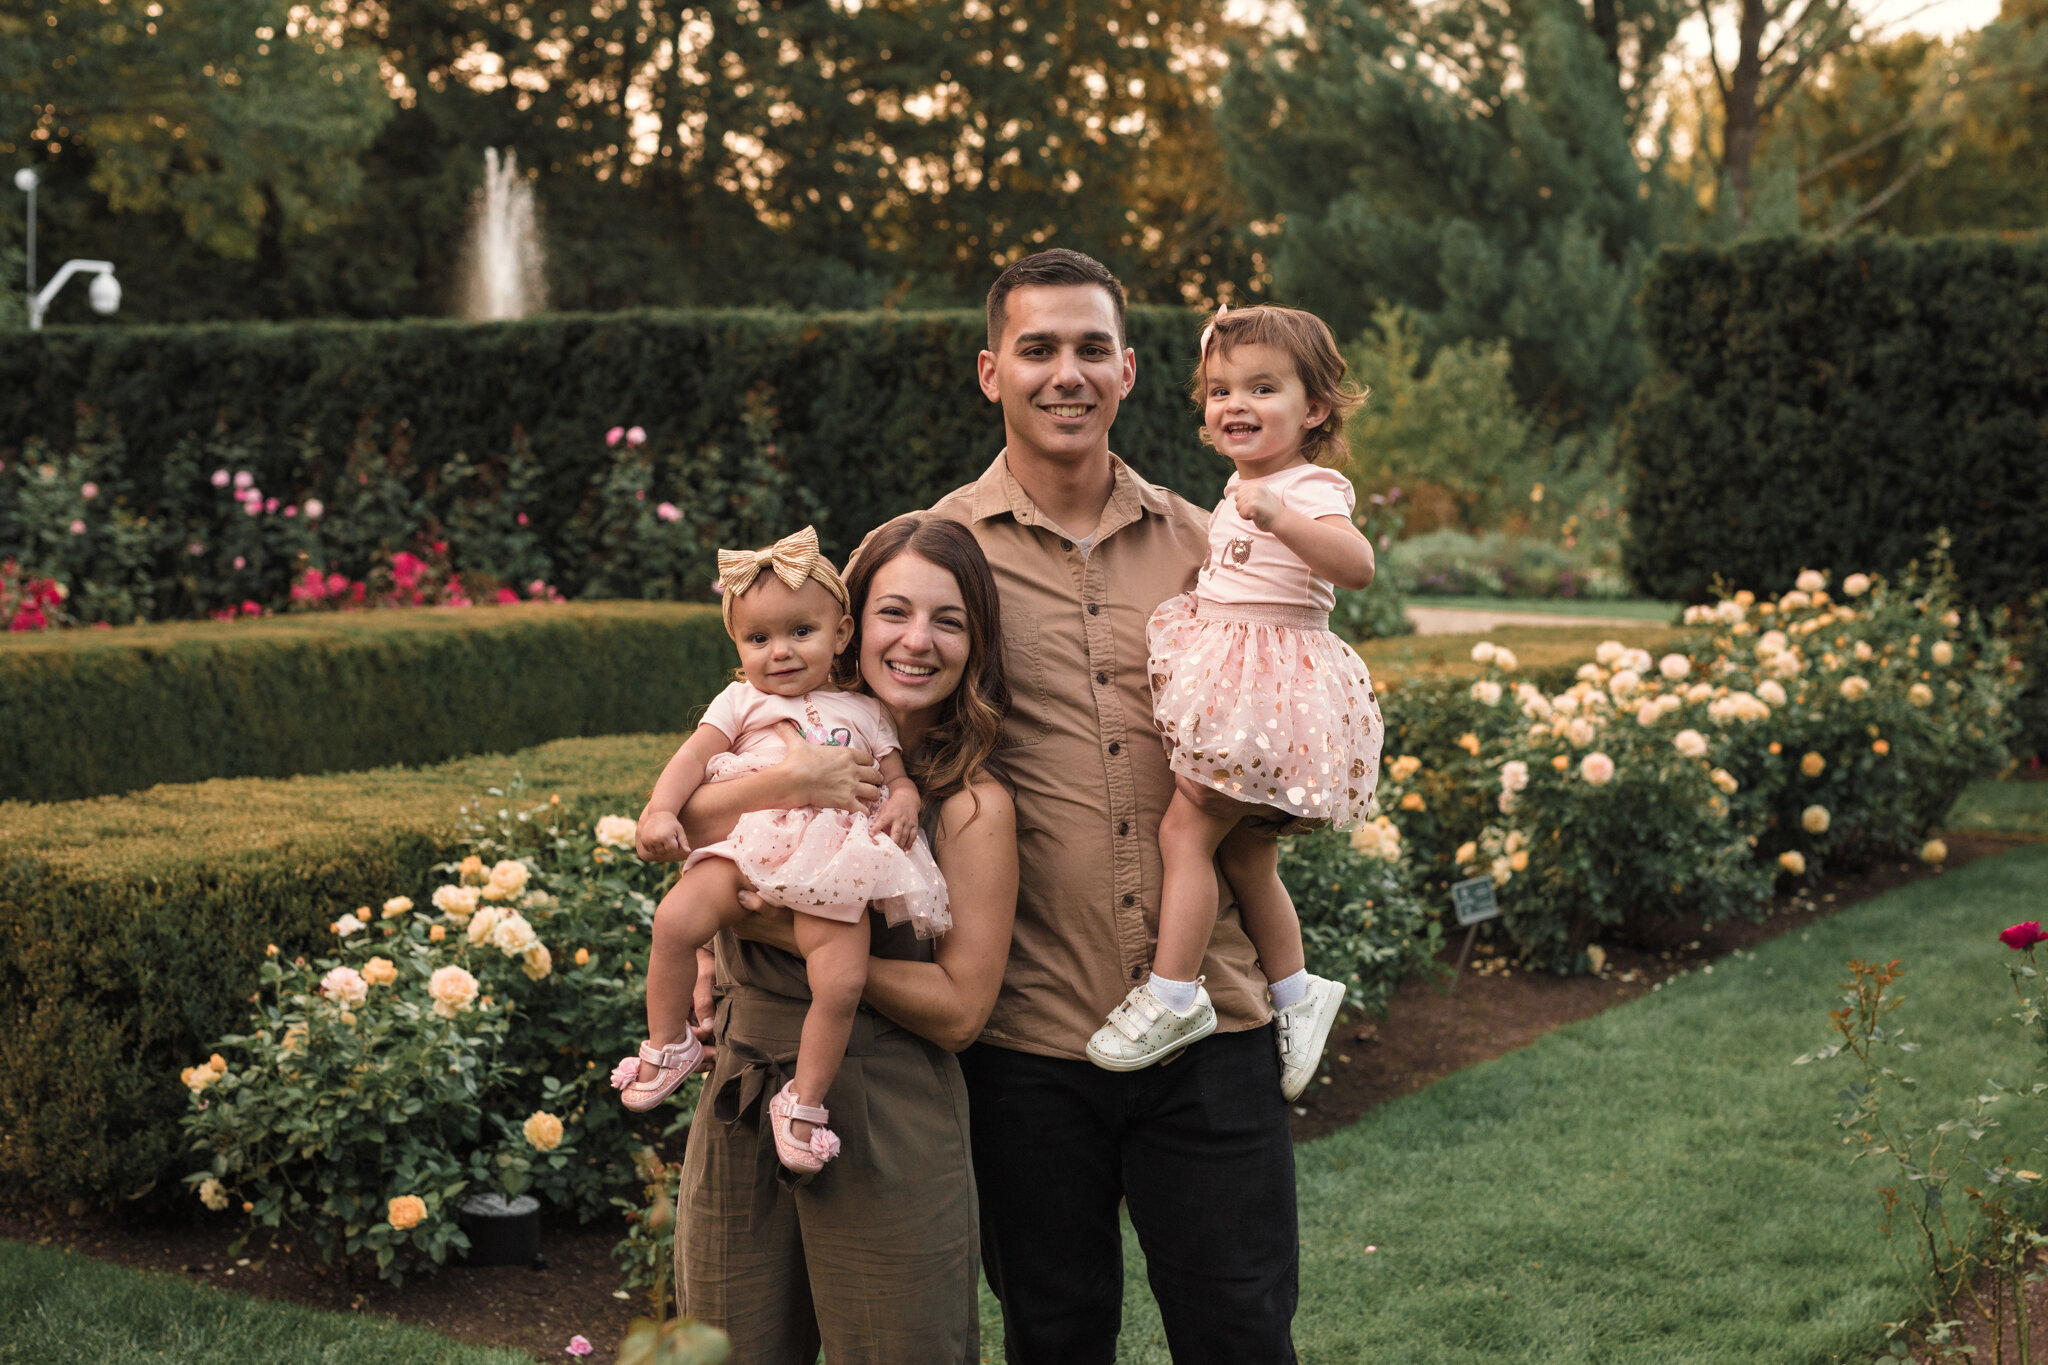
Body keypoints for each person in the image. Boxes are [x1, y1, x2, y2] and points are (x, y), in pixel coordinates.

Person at [926, 248, 1307, 1362]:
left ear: (1130, 371)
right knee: (1053, 1334)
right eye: (1037, 349)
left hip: (1213, 1027)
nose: (1066, 372)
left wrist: (1272, 791)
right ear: (989, 370)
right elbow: (856, 744)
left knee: (1240, 1331)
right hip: (1029, 1041)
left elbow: (1291, 736)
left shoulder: (1218, 546)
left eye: (1091, 348)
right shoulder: (934, 559)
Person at [660, 515, 1018, 1364]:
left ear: (977, 642)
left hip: (883, 1103)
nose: (918, 641)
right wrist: (790, 781)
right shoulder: (769, 739)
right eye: (895, 611)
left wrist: (783, 933)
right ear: (855, 623)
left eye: (950, 620)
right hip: (746, 1082)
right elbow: (681, 822)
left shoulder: (970, 808)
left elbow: (962, 1011)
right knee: (723, 1344)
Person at [1085, 304, 1383, 1103]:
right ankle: (1297, 990)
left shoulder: (1309, 485)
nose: (1234, 405)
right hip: (1238, 681)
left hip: (1271, 687)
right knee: (1246, 853)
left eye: (1261, 387)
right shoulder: (1241, 481)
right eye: (1220, 391)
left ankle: (1173, 994)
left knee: (1185, 828)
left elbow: (1356, 565)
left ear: (1314, 408)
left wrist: (1284, 516)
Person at [618, 525, 949, 1174]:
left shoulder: (864, 708)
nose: (781, 652)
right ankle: (669, 1043)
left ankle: (803, 1100)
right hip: (748, 844)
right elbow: (691, 759)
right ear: (737, 646)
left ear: (842, 634)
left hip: (831, 861)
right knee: (674, 921)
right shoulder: (740, 700)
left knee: (843, 981)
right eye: (758, 638)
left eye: (802, 631)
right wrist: (660, 809)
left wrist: (905, 796)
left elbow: (894, 772)